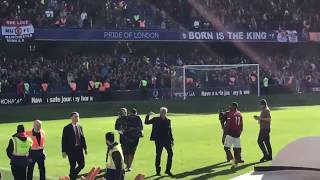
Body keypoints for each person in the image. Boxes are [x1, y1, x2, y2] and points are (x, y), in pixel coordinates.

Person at [145, 107, 174, 177]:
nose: (163, 113)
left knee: (170, 153)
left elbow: (169, 130)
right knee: (158, 155)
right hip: (159, 140)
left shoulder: (168, 120)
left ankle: (168, 170)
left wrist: (172, 140)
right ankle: (158, 171)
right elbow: (146, 122)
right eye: (162, 112)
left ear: (166, 113)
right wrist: (147, 115)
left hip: (167, 140)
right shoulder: (155, 119)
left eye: (164, 112)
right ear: (160, 112)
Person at [62, 112, 87, 180]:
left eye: (78, 117)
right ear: (71, 118)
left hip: (79, 149)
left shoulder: (80, 127)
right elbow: (64, 140)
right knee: (72, 165)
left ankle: (71, 175)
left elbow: (82, 138)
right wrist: (63, 151)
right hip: (71, 150)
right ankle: (72, 177)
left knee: (82, 164)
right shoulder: (67, 128)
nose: (77, 118)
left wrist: (85, 148)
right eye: (75, 117)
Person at [223, 102, 244, 168]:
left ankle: (231, 158)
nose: (229, 107)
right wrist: (240, 132)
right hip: (238, 133)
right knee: (237, 149)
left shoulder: (231, 114)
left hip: (230, 133)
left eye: (231, 106)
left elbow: (228, 125)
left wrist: (225, 133)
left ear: (234, 107)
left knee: (226, 148)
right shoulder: (240, 113)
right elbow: (241, 124)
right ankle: (236, 162)